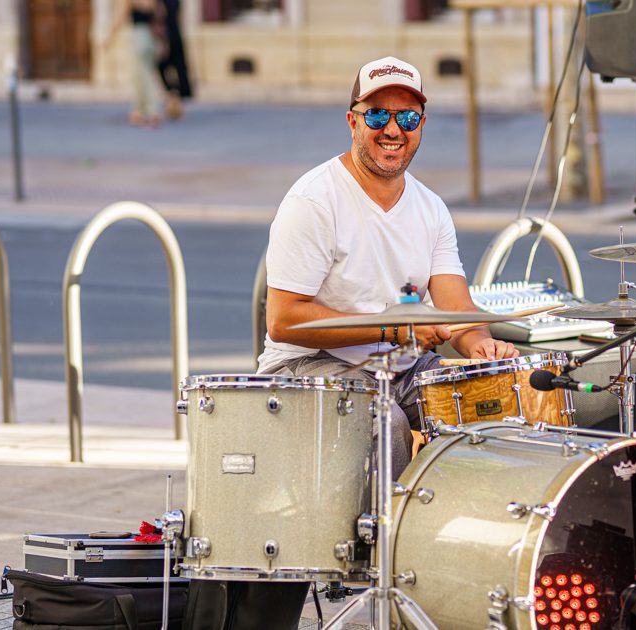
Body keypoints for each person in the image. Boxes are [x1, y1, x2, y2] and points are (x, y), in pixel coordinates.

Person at [257, 55, 518, 476]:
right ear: (353, 121)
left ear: (422, 126)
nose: (393, 130)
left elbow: (457, 311)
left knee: (489, 400)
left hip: (397, 365)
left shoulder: (430, 208)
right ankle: (378, 539)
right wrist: (395, 330)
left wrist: (479, 347)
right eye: (378, 114)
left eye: (407, 118)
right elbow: (284, 321)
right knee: (385, 422)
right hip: (305, 365)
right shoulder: (314, 200)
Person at [105, 0, 164, 127]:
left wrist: (109, 37)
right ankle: (139, 111)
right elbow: (159, 16)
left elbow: (122, 17)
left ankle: (152, 111)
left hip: (138, 36)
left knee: (141, 77)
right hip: (150, 37)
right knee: (144, 75)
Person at [156, 0, 192, 120]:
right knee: (177, 69)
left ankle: (174, 101)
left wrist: (164, 42)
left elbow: (161, 19)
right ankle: (174, 102)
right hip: (175, 34)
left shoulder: (162, 3)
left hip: (168, 36)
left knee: (164, 68)